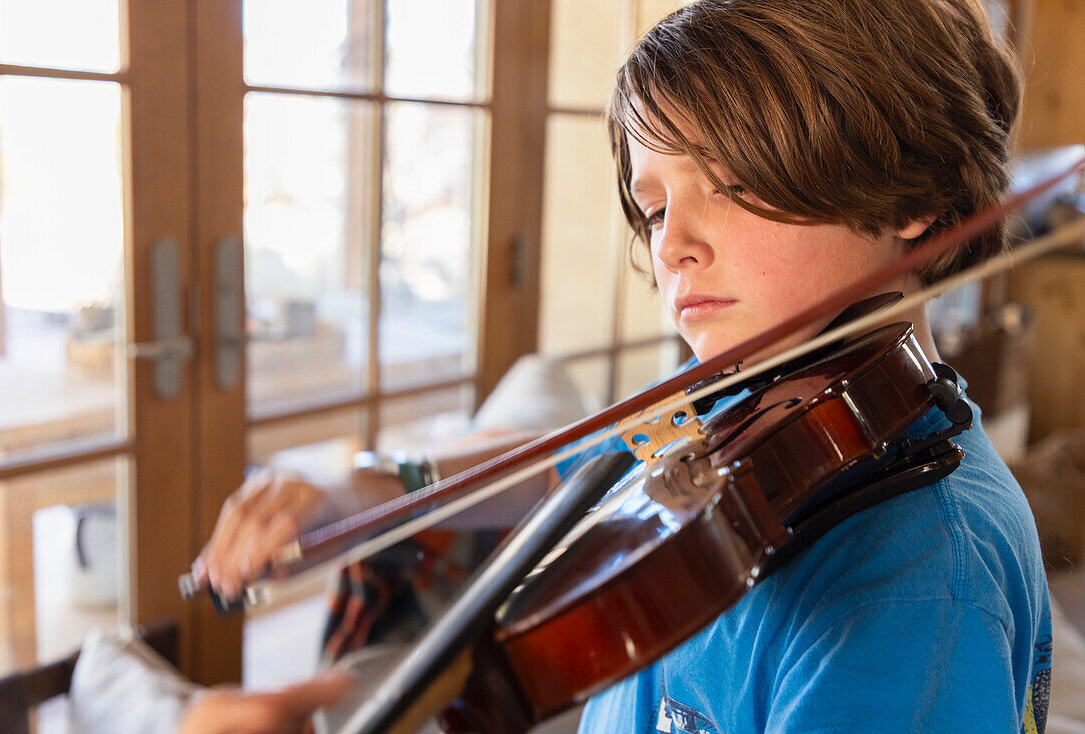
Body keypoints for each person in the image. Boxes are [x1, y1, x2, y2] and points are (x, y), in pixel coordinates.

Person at [186, 0, 1052, 731]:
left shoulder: (917, 588)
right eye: (653, 204)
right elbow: (575, 467)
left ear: (915, 197)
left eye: (730, 181)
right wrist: (366, 491)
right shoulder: (759, 406)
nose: (672, 244)